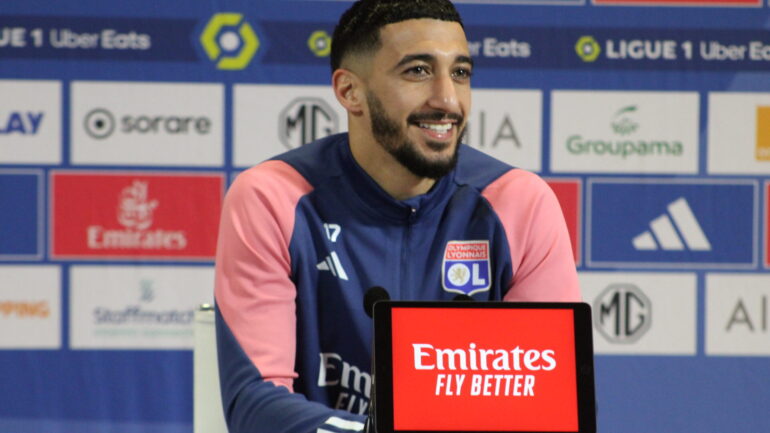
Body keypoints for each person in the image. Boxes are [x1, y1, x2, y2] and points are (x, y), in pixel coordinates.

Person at [213, 1, 581, 432]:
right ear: (350, 92)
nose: (447, 99)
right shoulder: (273, 198)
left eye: (460, 73)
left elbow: (553, 408)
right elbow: (255, 406)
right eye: (418, 71)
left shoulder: (519, 202)